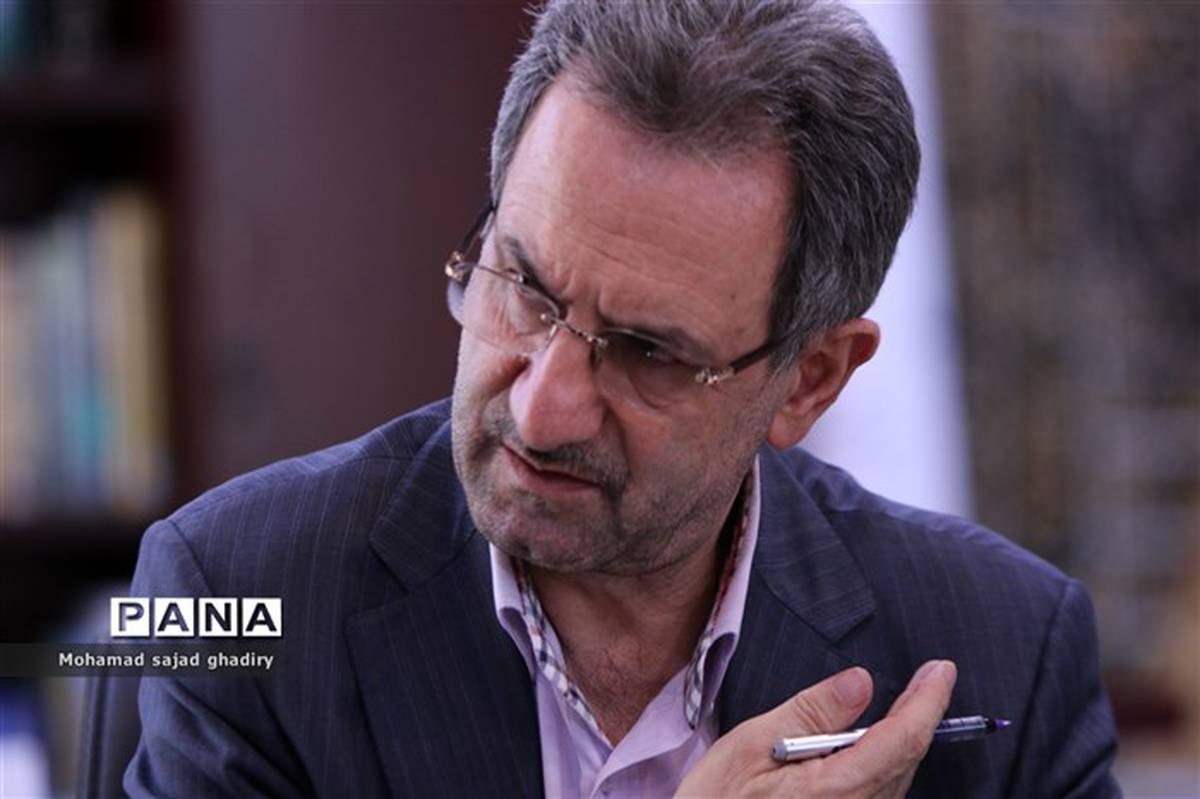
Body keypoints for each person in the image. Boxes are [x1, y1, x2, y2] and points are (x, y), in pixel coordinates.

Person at [123, 1, 1120, 796]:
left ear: (810, 377)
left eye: (647, 352)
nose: (542, 408)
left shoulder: (1009, 647)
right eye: (524, 288)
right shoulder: (228, 593)